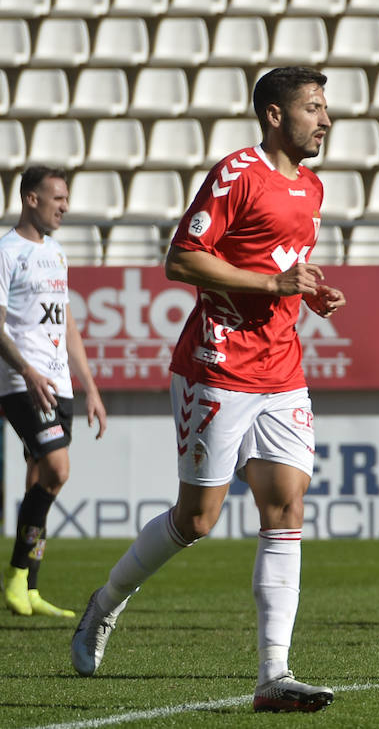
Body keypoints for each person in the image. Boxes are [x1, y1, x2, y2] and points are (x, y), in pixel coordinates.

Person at [70, 66, 347, 713]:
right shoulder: (237, 173)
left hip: (282, 370)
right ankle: (105, 603)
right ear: (275, 115)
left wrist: (309, 289)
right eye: (313, 107)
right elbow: (182, 259)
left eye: (324, 108)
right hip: (217, 364)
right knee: (198, 518)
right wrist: (273, 286)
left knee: (286, 507)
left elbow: (275, 267)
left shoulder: (312, 187)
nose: (325, 120)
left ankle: (273, 673)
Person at [0, 166, 108, 618]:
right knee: (58, 471)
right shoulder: (7, 251)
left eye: (66, 198)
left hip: (58, 381)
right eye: (57, 197)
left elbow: (68, 327)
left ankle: (29, 589)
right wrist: (25, 369)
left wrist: (91, 387)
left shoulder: (58, 253)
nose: (64, 206)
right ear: (30, 199)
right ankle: (17, 578)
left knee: (38, 477)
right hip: (24, 382)